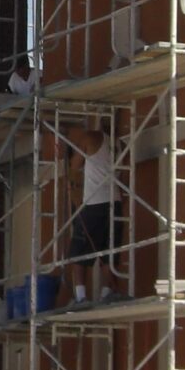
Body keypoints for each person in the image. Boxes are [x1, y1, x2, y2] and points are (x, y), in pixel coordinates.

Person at [60, 121, 121, 304]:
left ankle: (80, 296)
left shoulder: (91, 137)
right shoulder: (121, 145)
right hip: (115, 202)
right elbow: (123, 177)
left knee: (80, 250)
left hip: (94, 202)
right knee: (109, 250)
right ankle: (106, 293)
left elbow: (75, 164)